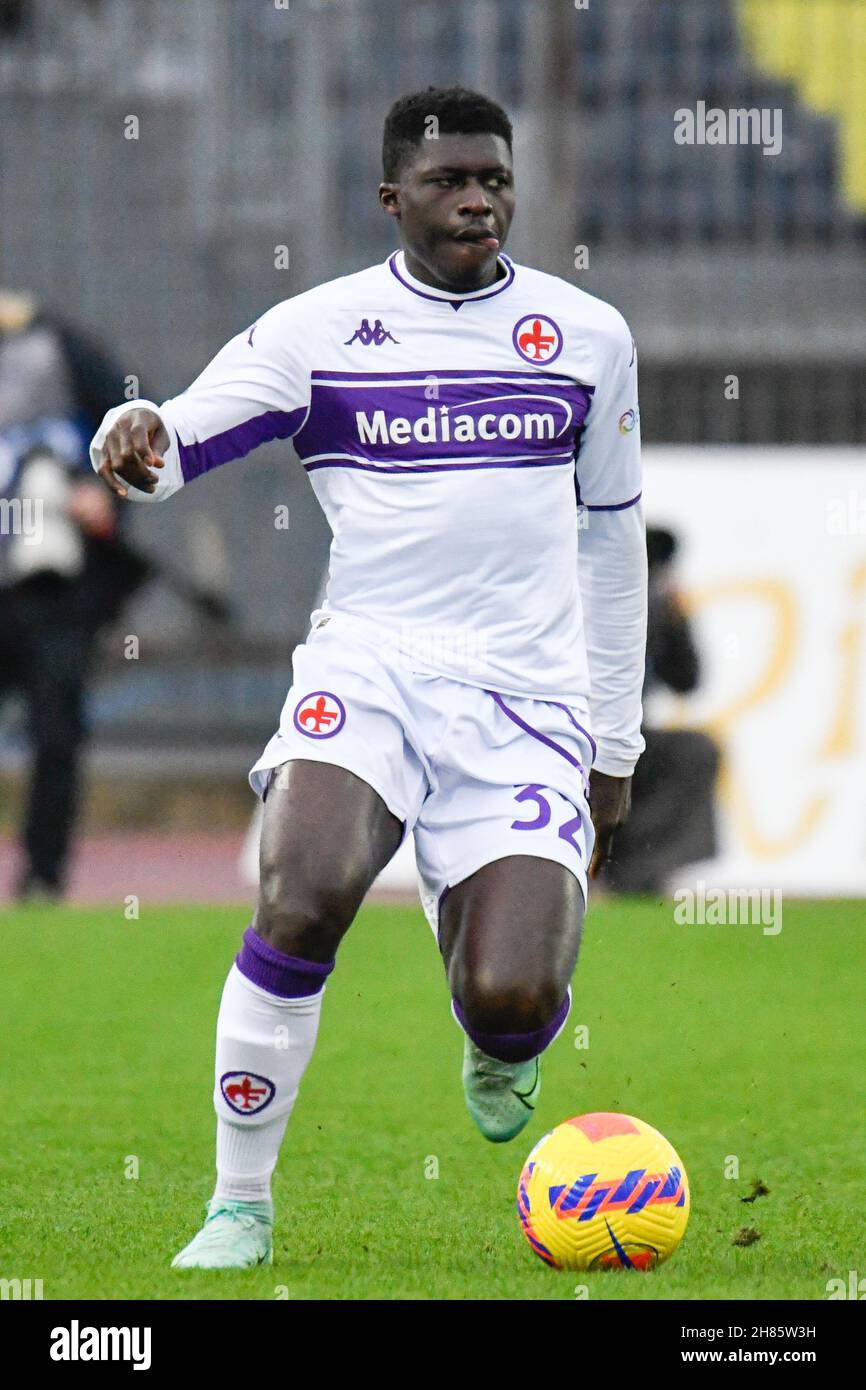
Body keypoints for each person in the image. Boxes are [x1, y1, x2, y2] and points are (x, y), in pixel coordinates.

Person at [91, 87, 647, 1270]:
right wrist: (131, 431)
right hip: (371, 669)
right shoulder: (317, 332)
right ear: (392, 198)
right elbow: (171, 445)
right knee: (299, 897)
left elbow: (611, 543)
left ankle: (499, 1037)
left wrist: (612, 744)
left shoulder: (586, 338)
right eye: (449, 181)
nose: (477, 200)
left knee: (508, 993)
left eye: (493, 179)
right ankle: (238, 1204)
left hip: (527, 702)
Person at [0, 289, 139, 901]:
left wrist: (106, 495)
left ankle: (42, 879)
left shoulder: (62, 345)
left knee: (56, 735)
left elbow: (130, 428)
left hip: (55, 589)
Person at [602, 527, 719, 893]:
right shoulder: (593, 601)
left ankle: (639, 868)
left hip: (630, 735)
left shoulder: (659, 608)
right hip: (574, 734)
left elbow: (687, 681)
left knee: (694, 750)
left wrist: (675, 620)